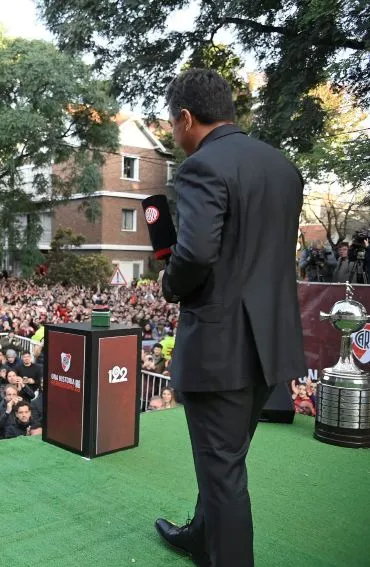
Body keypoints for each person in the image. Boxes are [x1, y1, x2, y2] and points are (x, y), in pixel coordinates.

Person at [155, 69, 306, 567]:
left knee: (223, 474)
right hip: (272, 345)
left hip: (222, 348)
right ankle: (202, 536)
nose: (173, 137)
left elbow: (196, 255)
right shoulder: (283, 166)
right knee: (226, 460)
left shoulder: (202, 167)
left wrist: (168, 283)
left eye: (171, 125)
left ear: (186, 118)